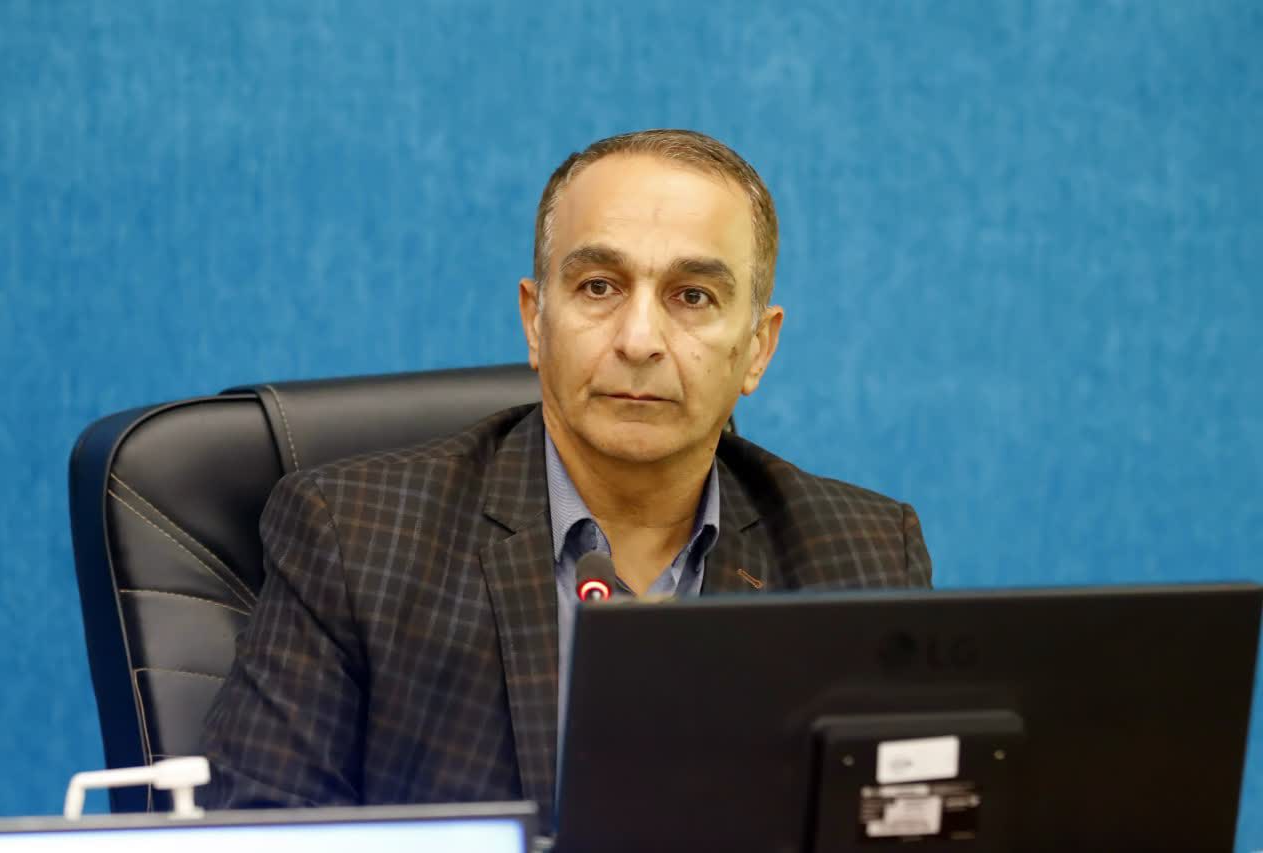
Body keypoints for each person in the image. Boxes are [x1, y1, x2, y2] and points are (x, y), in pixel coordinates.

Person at [200, 129, 932, 829]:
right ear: (535, 320)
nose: (639, 340)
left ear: (758, 349)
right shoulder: (354, 538)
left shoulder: (863, 558)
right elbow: (260, 832)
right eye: (599, 286)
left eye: (692, 296)